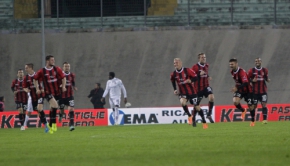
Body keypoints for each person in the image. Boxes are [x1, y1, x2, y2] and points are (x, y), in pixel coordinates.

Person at [170, 58, 208, 129]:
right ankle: (189, 116)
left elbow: (196, 78)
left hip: (192, 92)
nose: (176, 64)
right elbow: (172, 81)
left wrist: (190, 80)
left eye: (177, 62)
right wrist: (175, 89)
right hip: (183, 93)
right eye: (174, 63)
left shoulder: (187, 70)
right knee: (182, 102)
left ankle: (204, 121)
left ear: (181, 63)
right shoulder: (174, 74)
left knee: (197, 107)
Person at [34, 55, 66, 134]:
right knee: (55, 106)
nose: (53, 61)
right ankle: (54, 124)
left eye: (54, 60)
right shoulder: (42, 71)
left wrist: (63, 86)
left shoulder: (56, 69)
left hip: (57, 92)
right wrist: (37, 88)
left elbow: (63, 77)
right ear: (47, 61)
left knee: (53, 108)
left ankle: (51, 125)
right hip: (48, 92)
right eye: (52, 60)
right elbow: (35, 79)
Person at [229, 58, 255, 126]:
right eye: (230, 64)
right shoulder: (231, 71)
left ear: (236, 64)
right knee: (235, 101)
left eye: (232, 64)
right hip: (240, 89)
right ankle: (243, 110)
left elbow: (246, 82)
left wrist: (236, 88)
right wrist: (236, 87)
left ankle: (252, 121)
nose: (231, 65)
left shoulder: (241, 72)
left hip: (248, 90)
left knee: (251, 106)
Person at [23, 63, 48, 132]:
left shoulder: (38, 75)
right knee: (38, 111)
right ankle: (46, 123)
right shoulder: (26, 78)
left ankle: (46, 124)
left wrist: (43, 89)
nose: (25, 69)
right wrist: (26, 90)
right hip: (32, 97)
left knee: (39, 109)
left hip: (40, 96)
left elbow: (44, 83)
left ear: (31, 68)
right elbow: (24, 87)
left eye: (26, 68)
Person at [191, 53, 215, 123]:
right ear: (199, 59)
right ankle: (194, 118)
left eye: (204, 57)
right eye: (202, 57)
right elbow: (192, 78)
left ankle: (209, 114)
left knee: (212, 97)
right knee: (197, 105)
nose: (204, 58)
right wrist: (198, 74)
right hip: (198, 89)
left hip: (206, 86)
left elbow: (206, 73)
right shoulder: (195, 67)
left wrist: (208, 76)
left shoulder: (207, 65)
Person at [248, 58, 270, 124]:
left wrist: (267, 80)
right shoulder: (251, 70)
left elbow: (266, 78)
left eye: (259, 61)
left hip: (263, 91)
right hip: (254, 92)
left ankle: (265, 120)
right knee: (254, 106)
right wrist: (252, 81)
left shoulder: (265, 70)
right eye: (256, 61)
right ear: (255, 62)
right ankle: (253, 120)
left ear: (261, 62)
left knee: (264, 104)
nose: (257, 62)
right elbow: (247, 79)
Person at [59, 62, 77, 131]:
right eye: (65, 66)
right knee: (62, 110)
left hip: (70, 95)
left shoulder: (72, 75)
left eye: (68, 66)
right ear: (63, 67)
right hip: (62, 96)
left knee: (71, 109)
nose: (67, 67)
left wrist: (74, 87)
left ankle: (71, 125)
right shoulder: (60, 75)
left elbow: (73, 82)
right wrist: (60, 86)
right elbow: (57, 83)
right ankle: (60, 115)